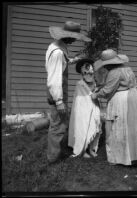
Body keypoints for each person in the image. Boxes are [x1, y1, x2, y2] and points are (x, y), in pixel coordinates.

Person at [91, 49, 137, 166]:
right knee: (135, 127)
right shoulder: (127, 69)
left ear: (109, 64)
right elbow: (116, 83)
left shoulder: (114, 72)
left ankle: (120, 157)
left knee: (118, 126)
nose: (105, 68)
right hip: (136, 96)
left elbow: (108, 90)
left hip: (124, 100)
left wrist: (95, 94)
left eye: (105, 65)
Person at [45, 21, 91, 164]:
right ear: (68, 36)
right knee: (57, 126)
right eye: (74, 37)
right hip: (56, 91)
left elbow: (63, 62)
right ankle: (53, 159)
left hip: (56, 91)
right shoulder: (58, 52)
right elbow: (54, 79)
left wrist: (74, 60)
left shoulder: (56, 46)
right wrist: (59, 102)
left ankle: (55, 152)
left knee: (58, 123)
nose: (75, 39)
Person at [68, 59, 101, 158]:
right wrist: (93, 92)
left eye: (91, 73)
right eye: (86, 73)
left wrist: (97, 90)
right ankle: (82, 150)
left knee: (95, 126)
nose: (89, 75)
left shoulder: (95, 83)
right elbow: (84, 97)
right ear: (82, 73)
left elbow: (94, 94)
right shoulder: (80, 84)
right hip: (83, 109)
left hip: (93, 107)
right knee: (83, 127)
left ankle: (91, 148)